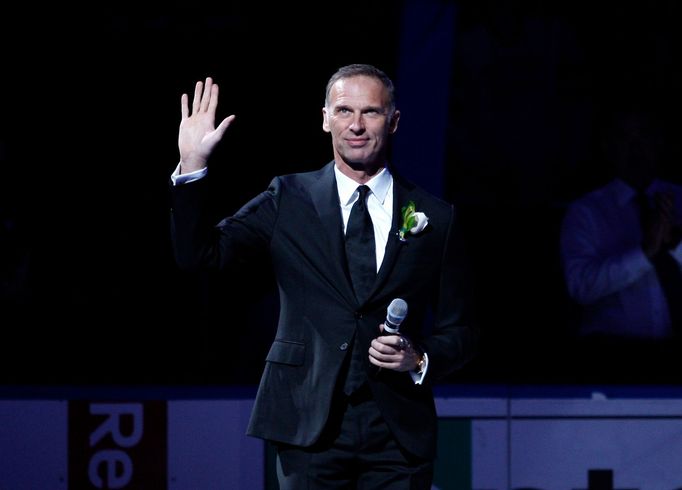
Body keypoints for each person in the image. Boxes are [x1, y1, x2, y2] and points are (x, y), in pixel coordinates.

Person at [169, 64, 476, 488]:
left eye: (370, 112)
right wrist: (192, 165)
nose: (356, 125)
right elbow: (201, 257)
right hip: (306, 421)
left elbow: (460, 329)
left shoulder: (436, 217)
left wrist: (419, 358)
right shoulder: (288, 198)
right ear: (325, 118)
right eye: (344, 111)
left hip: (397, 431)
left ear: (394, 121)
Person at [559, 107, 682, 377]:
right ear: (608, 145)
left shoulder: (678, 200)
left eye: (644, 136)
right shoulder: (587, 211)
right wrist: (644, 253)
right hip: (611, 359)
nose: (636, 148)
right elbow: (580, 286)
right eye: (626, 137)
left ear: (659, 141)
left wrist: (674, 243)